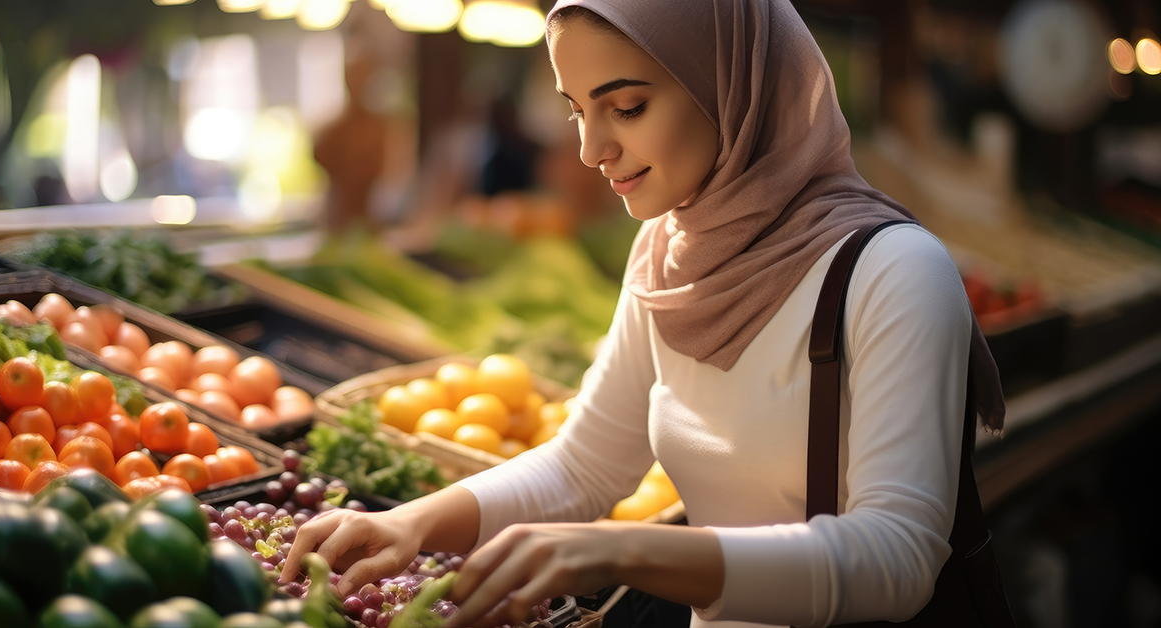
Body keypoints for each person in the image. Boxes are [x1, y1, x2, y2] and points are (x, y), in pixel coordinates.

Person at [280, 1, 1007, 627]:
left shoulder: (894, 272)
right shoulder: (665, 250)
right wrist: (407, 524)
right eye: (576, 110)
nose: (591, 149)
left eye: (625, 106)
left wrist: (623, 549)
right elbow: (586, 464)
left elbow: (900, 560)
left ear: (729, 85)